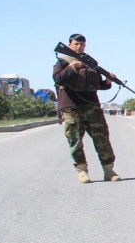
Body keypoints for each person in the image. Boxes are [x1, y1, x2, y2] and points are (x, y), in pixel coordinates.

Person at [52, 34, 121, 184]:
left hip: (92, 106)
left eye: (82, 45)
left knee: (102, 138)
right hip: (72, 106)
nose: (79, 47)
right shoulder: (63, 61)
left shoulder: (90, 62)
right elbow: (58, 79)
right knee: (75, 140)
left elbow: (97, 85)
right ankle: (82, 171)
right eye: (76, 44)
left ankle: (108, 170)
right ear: (70, 44)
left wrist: (108, 81)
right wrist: (71, 67)